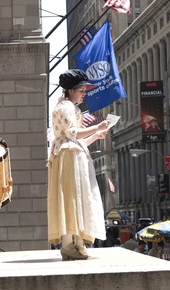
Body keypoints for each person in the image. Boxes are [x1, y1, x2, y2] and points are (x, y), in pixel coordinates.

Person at [47, 69, 110, 261]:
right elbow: (73, 134)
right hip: (68, 157)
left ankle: (75, 243)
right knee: (72, 198)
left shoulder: (68, 107)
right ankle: (70, 244)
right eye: (82, 90)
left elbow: (75, 139)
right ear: (71, 90)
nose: (84, 93)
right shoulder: (65, 107)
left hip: (71, 154)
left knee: (77, 198)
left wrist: (95, 136)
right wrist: (96, 127)